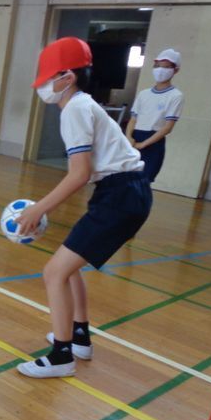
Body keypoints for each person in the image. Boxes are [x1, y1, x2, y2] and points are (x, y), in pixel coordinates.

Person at [15, 37, 152, 379]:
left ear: (67, 77)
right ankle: (79, 337)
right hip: (123, 193)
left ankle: (61, 356)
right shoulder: (83, 104)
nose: (45, 85)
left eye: (50, 77)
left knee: (54, 272)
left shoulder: (75, 108)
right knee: (69, 265)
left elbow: (80, 173)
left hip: (120, 196)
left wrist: (38, 209)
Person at [125, 48, 184, 182]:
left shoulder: (176, 96)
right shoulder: (144, 94)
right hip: (135, 138)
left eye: (166, 67)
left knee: (143, 182)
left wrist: (144, 144)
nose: (160, 70)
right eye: (157, 66)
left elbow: (167, 127)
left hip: (153, 141)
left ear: (175, 70)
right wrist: (128, 137)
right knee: (125, 179)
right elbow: (133, 119)